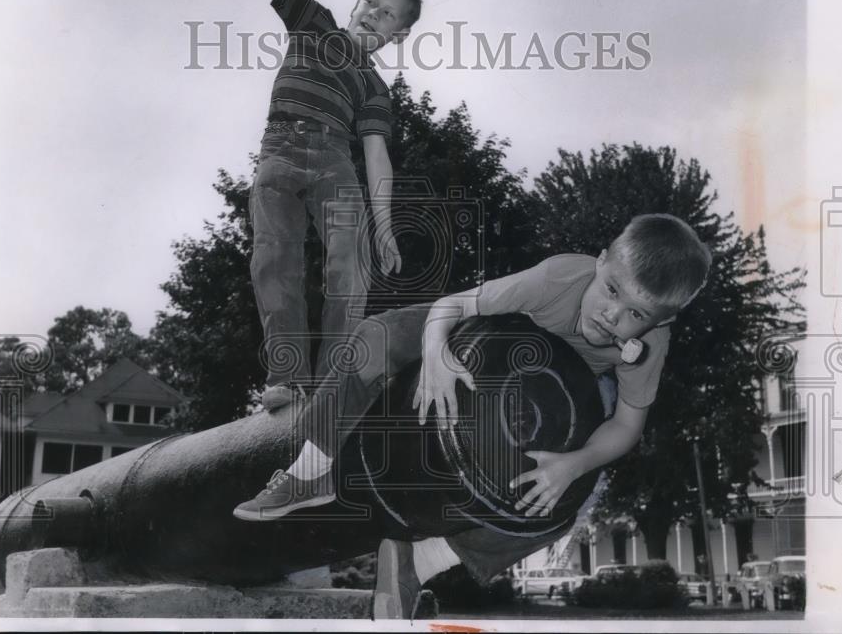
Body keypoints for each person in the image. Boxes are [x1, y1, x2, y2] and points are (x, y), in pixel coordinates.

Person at [233, 213, 712, 618]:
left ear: (660, 321)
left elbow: (627, 426)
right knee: (374, 337)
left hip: (559, 391)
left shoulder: (649, 346)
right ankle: (309, 471)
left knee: (564, 503)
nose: (612, 316)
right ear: (601, 260)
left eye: (635, 314)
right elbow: (454, 304)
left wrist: (575, 465)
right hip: (479, 328)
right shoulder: (558, 278)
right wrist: (436, 353)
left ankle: (419, 560)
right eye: (610, 290)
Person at [178, 0, 419, 410]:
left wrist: (384, 227)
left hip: (335, 162)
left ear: (398, 35)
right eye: (370, 2)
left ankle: (334, 378)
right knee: (275, 258)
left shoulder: (376, 88)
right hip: (280, 151)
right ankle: (286, 376)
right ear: (356, 1)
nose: (372, 14)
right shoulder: (314, 24)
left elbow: (377, 158)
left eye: (386, 14)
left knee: (349, 262)